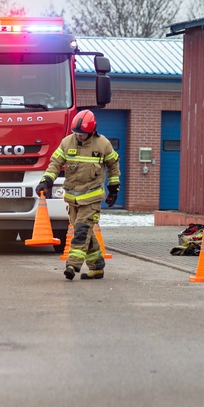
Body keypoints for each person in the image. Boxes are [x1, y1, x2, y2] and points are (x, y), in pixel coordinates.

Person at [35, 110, 120, 281]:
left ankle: (72, 265)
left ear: (92, 131)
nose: (79, 136)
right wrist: (46, 181)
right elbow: (55, 164)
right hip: (72, 199)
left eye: (82, 134)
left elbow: (113, 165)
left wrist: (113, 188)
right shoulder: (67, 143)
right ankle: (97, 267)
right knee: (85, 234)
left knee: (81, 231)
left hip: (92, 199)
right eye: (76, 133)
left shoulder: (103, 144)